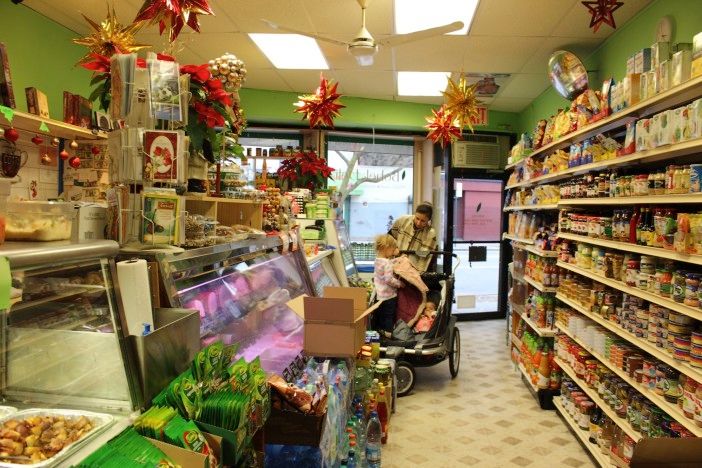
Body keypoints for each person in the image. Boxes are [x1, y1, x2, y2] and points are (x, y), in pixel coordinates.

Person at [388, 202, 437, 272]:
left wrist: (418, 275)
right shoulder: (402, 220)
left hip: (411, 270)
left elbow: (423, 259)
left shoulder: (430, 233)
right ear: (415, 214)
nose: (418, 223)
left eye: (423, 221)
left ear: (429, 220)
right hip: (394, 264)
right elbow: (389, 239)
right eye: (417, 218)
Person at [373, 234, 402, 336]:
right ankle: (389, 335)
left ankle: (380, 334)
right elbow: (389, 279)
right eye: (393, 249)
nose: (394, 251)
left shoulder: (377, 260)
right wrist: (400, 284)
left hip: (379, 295)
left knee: (381, 316)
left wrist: (396, 259)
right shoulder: (387, 263)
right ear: (387, 248)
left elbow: (387, 263)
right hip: (389, 296)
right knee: (389, 316)